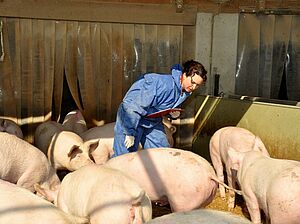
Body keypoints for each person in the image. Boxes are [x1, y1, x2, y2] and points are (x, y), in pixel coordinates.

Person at [112, 59, 207, 157]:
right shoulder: (163, 84)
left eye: (197, 85)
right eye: (192, 82)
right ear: (184, 74)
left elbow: (159, 105)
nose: (193, 87)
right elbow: (133, 106)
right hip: (131, 117)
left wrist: (170, 113)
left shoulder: (183, 91)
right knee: (124, 156)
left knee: (162, 153)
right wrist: (129, 131)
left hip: (152, 120)